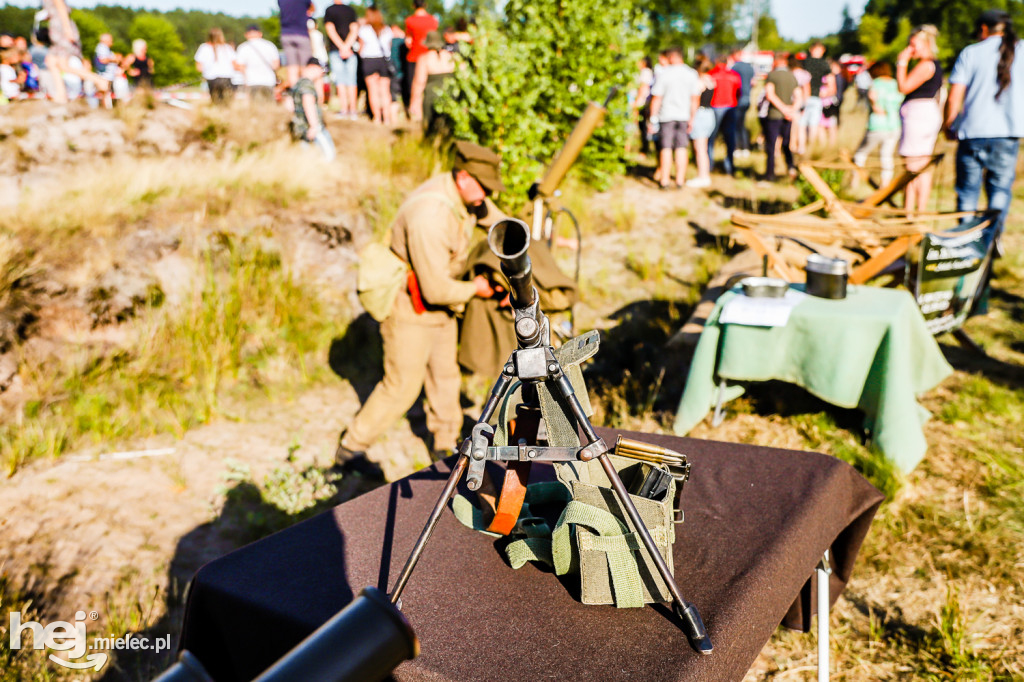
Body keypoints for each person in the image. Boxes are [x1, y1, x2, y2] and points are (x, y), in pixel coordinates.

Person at [334, 141, 511, 477]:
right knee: (401, 386)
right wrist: (478, 288)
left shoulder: (466, 195)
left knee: (445, 377)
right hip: (412, 309)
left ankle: (445, 447)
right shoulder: (429, 216)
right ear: (462, 177)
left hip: (439, 312)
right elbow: (436, 289)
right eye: (483, 186)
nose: (488, 194)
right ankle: (350, 450)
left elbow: (495, 219)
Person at [944, 10, 1023, 239]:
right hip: (1008, 133)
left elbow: (954, 96)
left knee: (968, 191)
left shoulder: (971, 53)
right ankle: (991, 239)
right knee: (999, 190)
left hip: (973, 132)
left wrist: (949, 124)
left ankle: (967, 241)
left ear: (984, 29)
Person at [896, 24, 943, 214]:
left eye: (913, 45)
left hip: (919, 118)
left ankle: (910, 213)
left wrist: (901, 62)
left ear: (926, 44)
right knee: (921, 165)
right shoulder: (933, 65)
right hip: (925, 116)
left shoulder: (926, 65)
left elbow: (903, 86)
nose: (910, 49)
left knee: (913, 166)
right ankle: (917, 213)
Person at [647, 46, 700, 189]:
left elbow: (656, 98)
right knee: (681, 147)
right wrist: (692, 118)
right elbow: (695, 98)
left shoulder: (665, 74)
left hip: (666, 116)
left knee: (666, 148)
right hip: (684, 116)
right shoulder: (692, 74)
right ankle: (680, 180)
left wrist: (652, 118)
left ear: (672, 57)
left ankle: (664, 180)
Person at [40, 0, 109, 104]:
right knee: (52, 61)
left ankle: (99, 80)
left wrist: (67, 29)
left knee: (63, 65)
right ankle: (61, 94)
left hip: (61, 28)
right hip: (57, 26)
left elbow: (61, 8)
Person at [853, 61, 902, 187]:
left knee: (860, 154)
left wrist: (875, 104)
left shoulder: (875, 84)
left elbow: (875, 104)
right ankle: (884, 186)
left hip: (877, 125)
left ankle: (855, 181)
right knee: (886, 156)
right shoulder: (896, 84)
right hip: (894, 125)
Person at [761, 52, 801, 182]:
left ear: (776, 62)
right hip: (787, 116)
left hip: (774, 115)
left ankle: (770, 174)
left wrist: (783, 109)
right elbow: (799, 97)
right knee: (786, 144)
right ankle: (791, 168)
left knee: (771, 146)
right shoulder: (792, 76)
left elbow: (770, 95)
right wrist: (791, 110)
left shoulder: (772, 75)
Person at [290, 58, 335, 161]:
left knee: (306, 159)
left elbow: (290, 106)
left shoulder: (298, 84)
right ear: (313, 67)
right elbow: (308, 104)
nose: (322, 75)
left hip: (301, 128)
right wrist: (314, 126)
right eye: (322, 70)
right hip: (313, 128)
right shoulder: (307, 85)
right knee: (329, 157)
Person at [358, 6, 395, 125]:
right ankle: (387, 119)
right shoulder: (387, 29)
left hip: (369, 60)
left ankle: (377, 118)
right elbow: (388, 47)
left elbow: (360, 48)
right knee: (385, 91)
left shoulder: (364, 29)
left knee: (372, 91)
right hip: (383, 61)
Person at [412, 30, 454, 133]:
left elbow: (419, 82)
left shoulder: (424, 59)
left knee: (429, 130)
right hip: (451, 96)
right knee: (448, 129)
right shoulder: (451, 56)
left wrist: (414, 101)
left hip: (431, 98)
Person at [707, 53, 741, 176]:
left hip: (715, 107)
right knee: (730, 138)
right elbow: (739, 92)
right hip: (730, 107)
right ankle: (730, 166)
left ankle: (709, 165)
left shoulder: (711, 74)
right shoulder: (734, 75)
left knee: (711, 138)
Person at [324, 0, 359, 119]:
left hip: (337, 50)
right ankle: (351, 111)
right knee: (350, 81)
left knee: (342, 81)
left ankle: (346, 110)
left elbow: (330, 30)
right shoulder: (350, 10)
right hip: (349, 50)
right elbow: (354, 29)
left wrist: (342, 47)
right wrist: (347, 47)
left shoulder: (329, 10)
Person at [404, 0, 438, 120]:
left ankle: (416, 117)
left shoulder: (409, 21)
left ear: (413, 5)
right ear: (425, 4)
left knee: (415, 88)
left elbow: (408, 41)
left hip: (414, 57)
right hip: (430, 58)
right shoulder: (433, 20)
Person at [687, 56, 717, 188]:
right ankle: (704, 175)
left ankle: (703, 176)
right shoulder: (711, 80)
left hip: (700, 114)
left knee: (700, 148)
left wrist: (691, 119)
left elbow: (695, 102)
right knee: (703, 147)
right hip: (709, 113)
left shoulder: (699, 83)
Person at [799, 42, 834, 153]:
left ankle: (802, 147)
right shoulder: (825, 64)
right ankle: (811, 147)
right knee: (814, 124)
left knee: (802, 124)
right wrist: (826, 93)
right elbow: (831, 83)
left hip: (803, 96)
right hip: (816, 97)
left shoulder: (804, 62)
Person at [235, 25, 279, 105]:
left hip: (252, 81)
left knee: (254, 106)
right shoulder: (270, 45)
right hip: (269, 81)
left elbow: (240, 67)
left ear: (246, 35)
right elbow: (276, 65)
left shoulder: (243, 47)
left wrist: (245, 80)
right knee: (269, 106)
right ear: (260, 34)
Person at [194, 28, 237, 105]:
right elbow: (235, 65)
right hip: (227, 78)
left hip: (212, 79)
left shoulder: (204, 47)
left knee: (216, 103)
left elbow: (199, 68)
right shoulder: (227, 48)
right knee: (228, 103)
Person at [278, 0, 313, 88]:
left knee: (292, 67)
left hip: (286, 35)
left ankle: (295, 94)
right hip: (301, 34)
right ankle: (305, 92)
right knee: (305, 66)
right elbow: (312, 8)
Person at [729, 47, 755, 158]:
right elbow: (754, 82)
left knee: (735, 125)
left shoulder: (734, 67)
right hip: (747, 98)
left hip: (737, 99)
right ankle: (745, 147)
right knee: (742, 124)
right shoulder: (750, 67)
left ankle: (737, 147)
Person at [631, 56, 654, 158]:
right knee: (642, 127)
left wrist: (637, 102)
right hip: (642, 102)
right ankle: (644, 148)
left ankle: (645, 149)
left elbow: (643, 87)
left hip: (642, 102)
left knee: (643, 126)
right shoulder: (646, 72)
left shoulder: (645, 72)